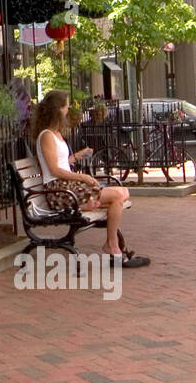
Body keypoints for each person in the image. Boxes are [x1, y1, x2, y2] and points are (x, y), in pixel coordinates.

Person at [31, 89, 148, 267]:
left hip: (66, 185)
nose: (69, 110)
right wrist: (83, 178)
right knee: (117, 196)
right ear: (58, 110)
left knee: (123, 192)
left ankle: (87, 208)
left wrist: (77, 156)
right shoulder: (46, 135)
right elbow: (54, 170)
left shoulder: (55, 134)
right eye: (66, 107)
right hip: (59, 190)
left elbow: (60, 163)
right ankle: (112, 245)